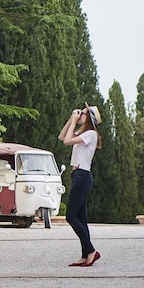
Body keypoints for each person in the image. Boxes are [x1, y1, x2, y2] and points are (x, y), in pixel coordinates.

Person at [58, 104, 102, 267]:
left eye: (83, 113)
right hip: (78, 176)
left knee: (70, 216)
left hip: (82, 176)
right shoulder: (83, 133)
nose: (79, 114)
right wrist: (72, 120)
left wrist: (74, 121)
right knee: (81, 219)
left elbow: (67, 141)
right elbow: (62, 136)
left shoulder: (91, 134)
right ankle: (85, 255)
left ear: (89, 118)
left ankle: (91, 251)